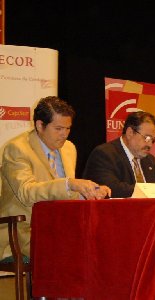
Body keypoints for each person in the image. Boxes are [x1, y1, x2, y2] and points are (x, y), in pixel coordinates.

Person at [0, 96, 111, 257]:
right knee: (73, 252)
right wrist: (69, 184)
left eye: (68, 128)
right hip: (25, 229)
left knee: (105, 240)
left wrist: (89, 192)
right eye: (58, 128)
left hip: (61, 225)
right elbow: (26, 193)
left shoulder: (69, 149)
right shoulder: (17, 149)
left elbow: (65, 193)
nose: (64, 134)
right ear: (40, 125)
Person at [83, 111, 155, 198]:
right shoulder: (104, 154)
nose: (150, 145)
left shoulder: (150, 160)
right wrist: (153, 190)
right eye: (147, 138)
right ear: (130, 133)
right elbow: (111, 189)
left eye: (153, 140)